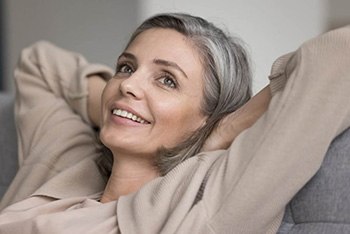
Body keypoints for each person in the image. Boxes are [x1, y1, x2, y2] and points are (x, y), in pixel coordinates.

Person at [0, 12, 349, 234]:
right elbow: (40, 64)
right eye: (127, 67)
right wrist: (120, 106)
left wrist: (225, 130)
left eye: (167, 80)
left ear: (206, 118)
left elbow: (338, 57)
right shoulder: (67, 164)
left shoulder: (204, 202)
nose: (129, 83)